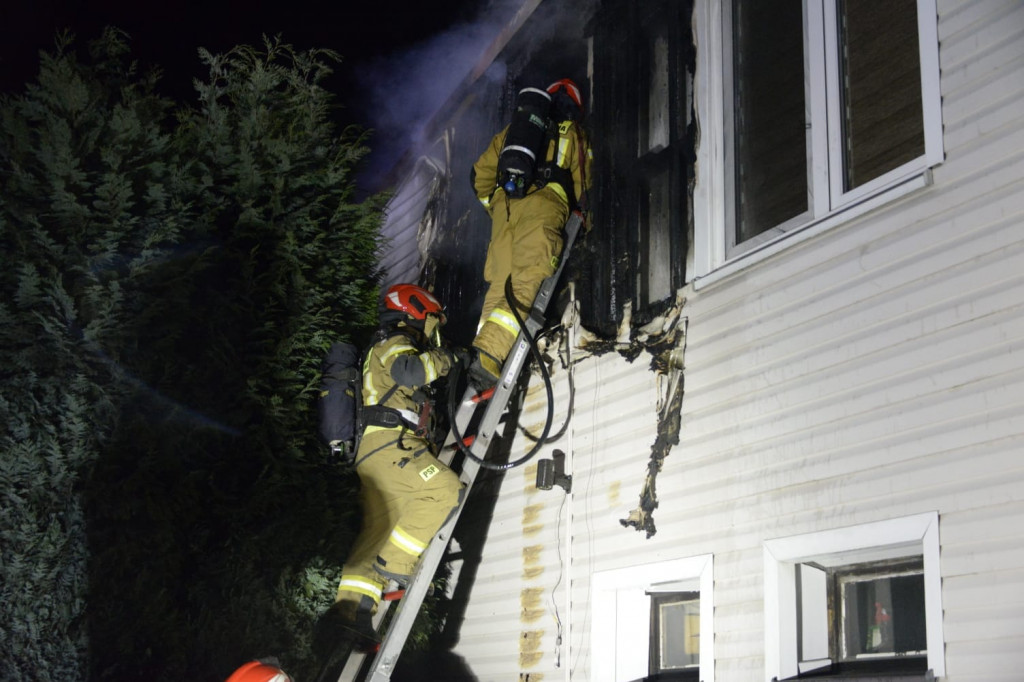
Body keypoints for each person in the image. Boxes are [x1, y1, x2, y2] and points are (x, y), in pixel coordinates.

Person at [317, 283, 464, 653]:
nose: (433, 326)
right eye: (431, 318)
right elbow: (412, 371)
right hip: (389, 444)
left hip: (375, 451)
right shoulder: (394, 338)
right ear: (414, 309)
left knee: (377, 533)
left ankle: (352, 618)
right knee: (444, 489)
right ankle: (396, 564)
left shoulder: (379, 344)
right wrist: (450, 358)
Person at [467, 78, 592, 390]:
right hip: (543, 206)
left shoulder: (513, 131)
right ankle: (490, 354)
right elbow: (585, 185)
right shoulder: (572, 133)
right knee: (527, 281)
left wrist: (495, 205)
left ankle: (484, 355)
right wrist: (583, 226)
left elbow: (479, 175)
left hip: (504, 209)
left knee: (499, 286)